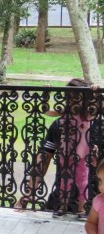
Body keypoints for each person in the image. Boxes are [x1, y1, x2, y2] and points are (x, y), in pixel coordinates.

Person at [15, 79, 103, 218]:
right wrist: (46, 95)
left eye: (76, 96)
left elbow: (99, 107)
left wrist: (97, 93)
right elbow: (44, 157)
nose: (72, 100)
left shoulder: (90, 116)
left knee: (82, 179)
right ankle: (66, 205)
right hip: (65, 159)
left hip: (84, 162)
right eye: (69, 96)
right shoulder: (62, 119)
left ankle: (81, 207)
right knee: (65, 180)